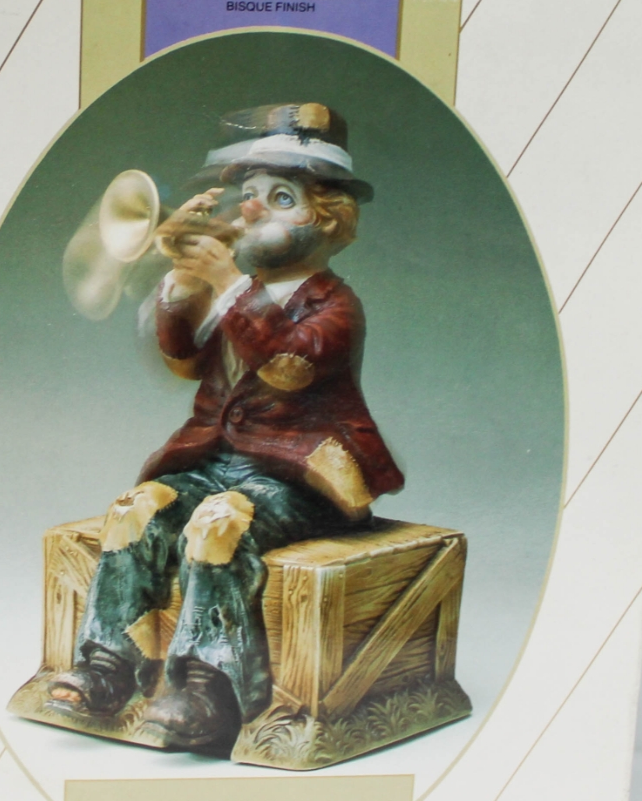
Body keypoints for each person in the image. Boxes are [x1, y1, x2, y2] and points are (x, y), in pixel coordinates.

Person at [48, 103, 401, 756]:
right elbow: (182, 357)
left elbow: (288, 369)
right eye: (250, 194)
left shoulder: (334, 304)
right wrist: (184, 278)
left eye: (281, 197)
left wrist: (226, 281)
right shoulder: (233, 291)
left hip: (299, 475)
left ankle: (209, 689)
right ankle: (106, 664)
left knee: (219, 522)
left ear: (327, 218)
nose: (253, 208)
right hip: (218, 461)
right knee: (134, 508)